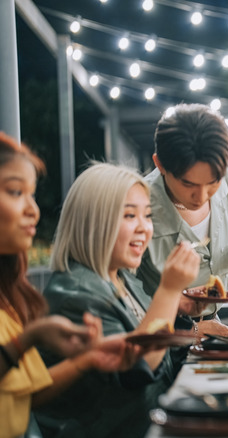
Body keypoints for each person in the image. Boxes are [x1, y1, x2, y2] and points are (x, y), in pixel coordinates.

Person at [36, 163, 201, 438]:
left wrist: (190, 324)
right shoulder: (75, 294)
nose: (144, 228)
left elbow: (163, 359)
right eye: (129, 215)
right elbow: (139, 369)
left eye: (147, 216)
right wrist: (170, 290)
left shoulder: (123, 280)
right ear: (93, 221)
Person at [0, 134, 136, 437]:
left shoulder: (7, 300)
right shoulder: (80, 289)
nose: (33, 210)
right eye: (14, 191)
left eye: (32, 194)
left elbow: (25, 396)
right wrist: (28, 339)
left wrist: (86, 359)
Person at [137, 103, 228, 337]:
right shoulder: (138, 204)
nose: (201, 197)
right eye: (188, 184)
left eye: (213, 183)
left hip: (213, 321)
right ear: (160, 165)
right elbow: (126, 294)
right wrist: (191, 330)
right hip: (158, 335)